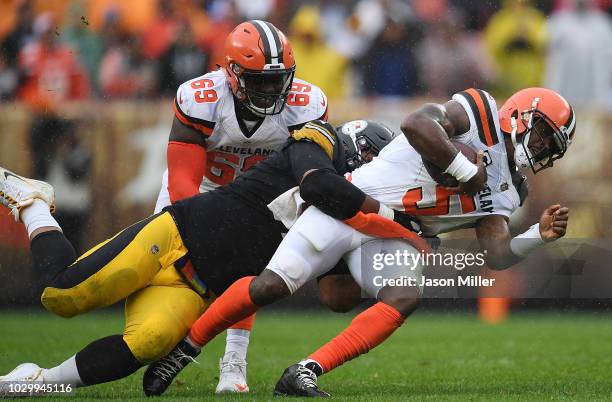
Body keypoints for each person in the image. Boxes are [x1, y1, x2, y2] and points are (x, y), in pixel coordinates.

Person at [146, 87, 574, 397]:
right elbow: (417, 123)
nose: (540, 150)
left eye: (549, 147)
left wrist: (539, 235)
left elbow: (495, 254)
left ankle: (305, 371)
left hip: (396, 235)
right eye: (542, 136)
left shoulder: (512, 190)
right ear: (521, 115)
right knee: (269, 287)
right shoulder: (479, 110)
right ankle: (186, 348)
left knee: (405, 295)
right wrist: (467, 172)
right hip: (352, 206)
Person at [0, 119, 411, 397]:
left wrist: (374, 252)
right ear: (363, 152)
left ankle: (35, 381)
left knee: (147, 343)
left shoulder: (347, 215)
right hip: (176, 235)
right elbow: (320, 182)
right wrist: (393, 218)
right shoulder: (317, 143)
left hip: (197, 286)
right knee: (61, 293)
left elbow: (334, 297)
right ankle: (31, 200)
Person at [152, 19, 328, 393]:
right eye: (259, 79)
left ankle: (234, 362)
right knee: (164, 277)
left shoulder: (306, 105)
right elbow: (182, 181)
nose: (270, 89)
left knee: (248, 269)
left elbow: (310, 171)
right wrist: (204, 232)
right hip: (201, 189)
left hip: (257, 197)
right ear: (231, 72)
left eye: (278, 79)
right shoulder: (201, 98)